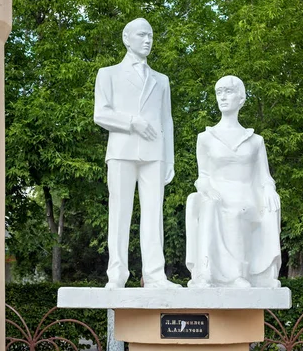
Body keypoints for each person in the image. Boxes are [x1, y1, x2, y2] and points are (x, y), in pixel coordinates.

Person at [94, 18, 180, 289]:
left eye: (151, 35)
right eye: (142, 35)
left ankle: (155, 275)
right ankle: (117, 275)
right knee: (119, 213)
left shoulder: (161, 80)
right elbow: (101, 113)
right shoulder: (108, 74)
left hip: (154, 154)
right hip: (122, 151)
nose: (147, 40)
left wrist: (169, 158)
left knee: (154, 214)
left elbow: (167, 121)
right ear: (126, 38)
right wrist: (133, 122)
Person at [185, 76, 282, 288]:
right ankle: (206, 272)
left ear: (241, 98)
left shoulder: (255, 141)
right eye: (219, 92)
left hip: (246, 196)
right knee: (209, 204)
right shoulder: (206, 138)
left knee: (239, 210)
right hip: (217, 195)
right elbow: (202, 176)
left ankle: (240, 274)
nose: (223, 97)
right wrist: (206, 188)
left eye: (228, 91)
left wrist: (269, 189)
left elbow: (265, 177)